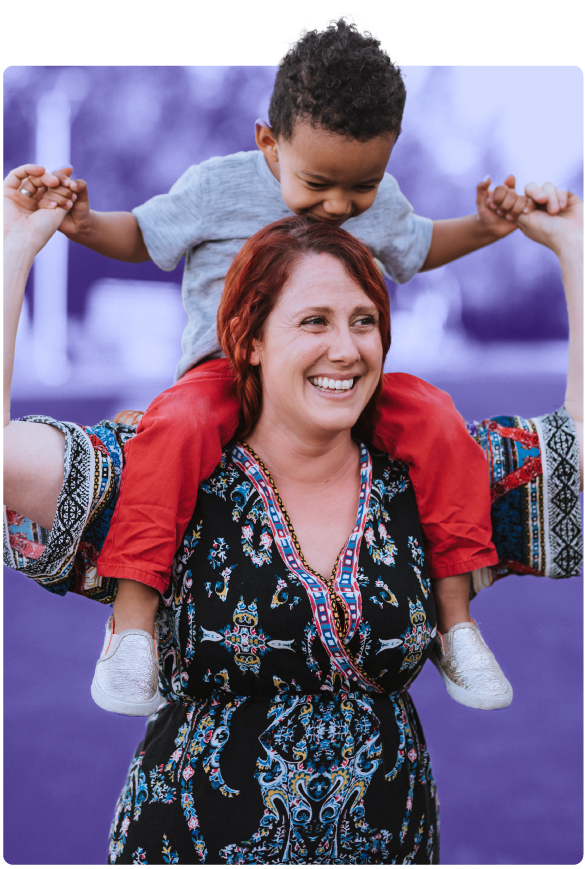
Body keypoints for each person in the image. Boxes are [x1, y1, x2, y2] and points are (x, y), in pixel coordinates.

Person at [3, 161, 582, 863]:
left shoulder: (429, 474)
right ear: (249, 339)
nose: (346, 348)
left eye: (363, 320)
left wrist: (572, 246)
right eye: (314, 321)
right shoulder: (163, 467)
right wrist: (15, 245)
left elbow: (574, 462)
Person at [16, 22, 570, 716]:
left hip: (337, 379)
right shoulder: (217, 188)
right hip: (225, 373)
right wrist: (83, 222)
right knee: (175, 426)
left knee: (432, 412)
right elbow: (145, 236)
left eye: (359, 187)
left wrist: (486, 227)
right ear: (269, 145)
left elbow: (418, 245)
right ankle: (132, 625)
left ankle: (454, 620)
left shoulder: (383, 199)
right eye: (316, 184)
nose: (338, 207)